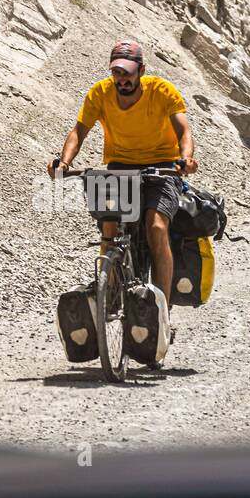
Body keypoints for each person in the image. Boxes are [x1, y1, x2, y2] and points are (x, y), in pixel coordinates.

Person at [48, 40, 197, 324]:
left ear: (141, 70)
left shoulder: (162, 91)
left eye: (127, 73)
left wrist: (185, 159)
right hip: (120, 166)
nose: (122, 79)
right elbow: (79, 130)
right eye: (117, 72)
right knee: (110, 224)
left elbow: (184, 130)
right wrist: (63, 163)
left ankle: (161, 312)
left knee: (156, 226)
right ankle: (109, 290)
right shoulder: (100, 93)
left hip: (163, 166)